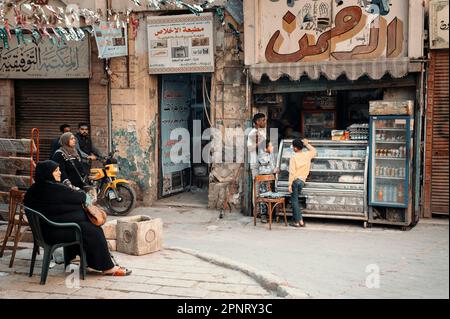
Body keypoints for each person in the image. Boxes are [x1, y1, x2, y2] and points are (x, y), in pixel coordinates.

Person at [24, 160, 131, 276]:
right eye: (56, 171)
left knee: (84, 224)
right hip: (53, 232)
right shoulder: (53, 188)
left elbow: (58, 207)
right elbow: (79, 197)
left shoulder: (34, 189)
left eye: (59, 170)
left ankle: (91, 263)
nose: (59, 173)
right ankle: (107, 267)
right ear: (47, 173)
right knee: (93, 230)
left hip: (44, 231)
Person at [288, 138, 317, 228]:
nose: (292, 148)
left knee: (294, 201)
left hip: (295, 181)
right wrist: (307, 144)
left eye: (293, 146)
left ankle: (297, 222)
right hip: (302, 181)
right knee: (295, 201)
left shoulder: (293, 157)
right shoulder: (307, 155)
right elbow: (314, 151)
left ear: (296, 148)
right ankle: (300, 221)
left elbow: (292, 172)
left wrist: (289, 184)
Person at [257, 140, 279, 223]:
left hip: (272, 178)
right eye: (270, 146)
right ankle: (263, 215)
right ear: (265, 148)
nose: (272, 147)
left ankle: (272, 214)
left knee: (272, 196)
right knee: (264, 197)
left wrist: (275, 169)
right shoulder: (262, 155)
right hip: (264, 179)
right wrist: (273, 170)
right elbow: (264, 166)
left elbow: (273, 165)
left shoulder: (271, 154)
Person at [247, 113, 267, 180]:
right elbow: (250, 148)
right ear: (258, 122)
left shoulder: (262, 132)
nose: (265, 122)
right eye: (263, 120)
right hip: (256, 163)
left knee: (263, 187)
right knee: (257, 186)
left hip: (263, 162)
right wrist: (260, 142)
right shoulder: (253, 132)